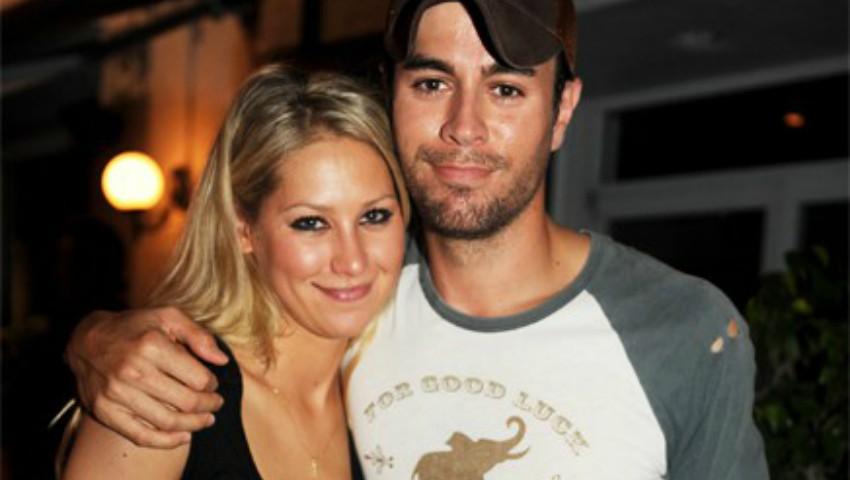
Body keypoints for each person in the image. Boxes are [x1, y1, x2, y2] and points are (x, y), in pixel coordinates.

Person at [65, 1, 769, 478]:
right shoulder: (357, 295)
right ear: (391, 94)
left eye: (505, 89)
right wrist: (95, 341)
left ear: (562, 110)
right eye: (432, 82)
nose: (463, 126)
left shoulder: (686, 330)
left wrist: (90, 337)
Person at [62, 64, 410, 479]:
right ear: (244, 230)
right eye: (311, 223)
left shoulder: (397, 389)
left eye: (374, 216)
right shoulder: (164, 392)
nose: (352, 261)